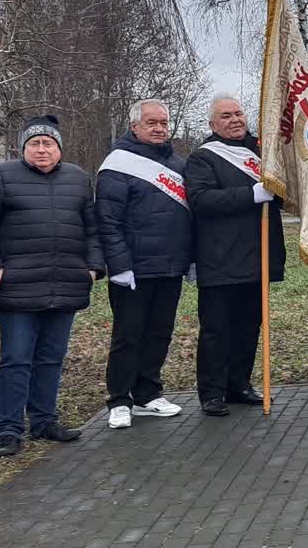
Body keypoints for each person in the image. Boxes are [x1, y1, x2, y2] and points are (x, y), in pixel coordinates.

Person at [0, 115, 100, 456]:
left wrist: (92, 268)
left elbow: (92, 229)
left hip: (65, 283)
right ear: (23, 148)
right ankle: (8, 429)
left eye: (48, 143)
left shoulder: (78, 178)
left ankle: (44, 421)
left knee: (51, 358)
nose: (42, 149)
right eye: (35, 143)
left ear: (59, 148)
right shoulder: (0, 177)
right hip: (18, 286)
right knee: (16, 359)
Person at [185, 96, 286, 417]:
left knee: (248, 327)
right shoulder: (203, 158)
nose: (235, 120)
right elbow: (202, 200)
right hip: (220, 259)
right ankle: (212, 392)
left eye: (239, 113)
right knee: (216, 331)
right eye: (226, 116)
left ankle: (238, 384)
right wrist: (251, 194)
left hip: (258, 256)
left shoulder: (262, 152)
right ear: (213, 124)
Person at [97, 99, 193, 429]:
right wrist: (119, 266)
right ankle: (119, 399)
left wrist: (189, 259)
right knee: (128, 336)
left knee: (159, 333)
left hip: (170, 266)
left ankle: (147, 393)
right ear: (135, 126)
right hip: (134, 270)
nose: (159, 128)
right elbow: (108, 220)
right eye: (152, 123)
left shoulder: (178, 165)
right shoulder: (117, 164)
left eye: (164, 123)